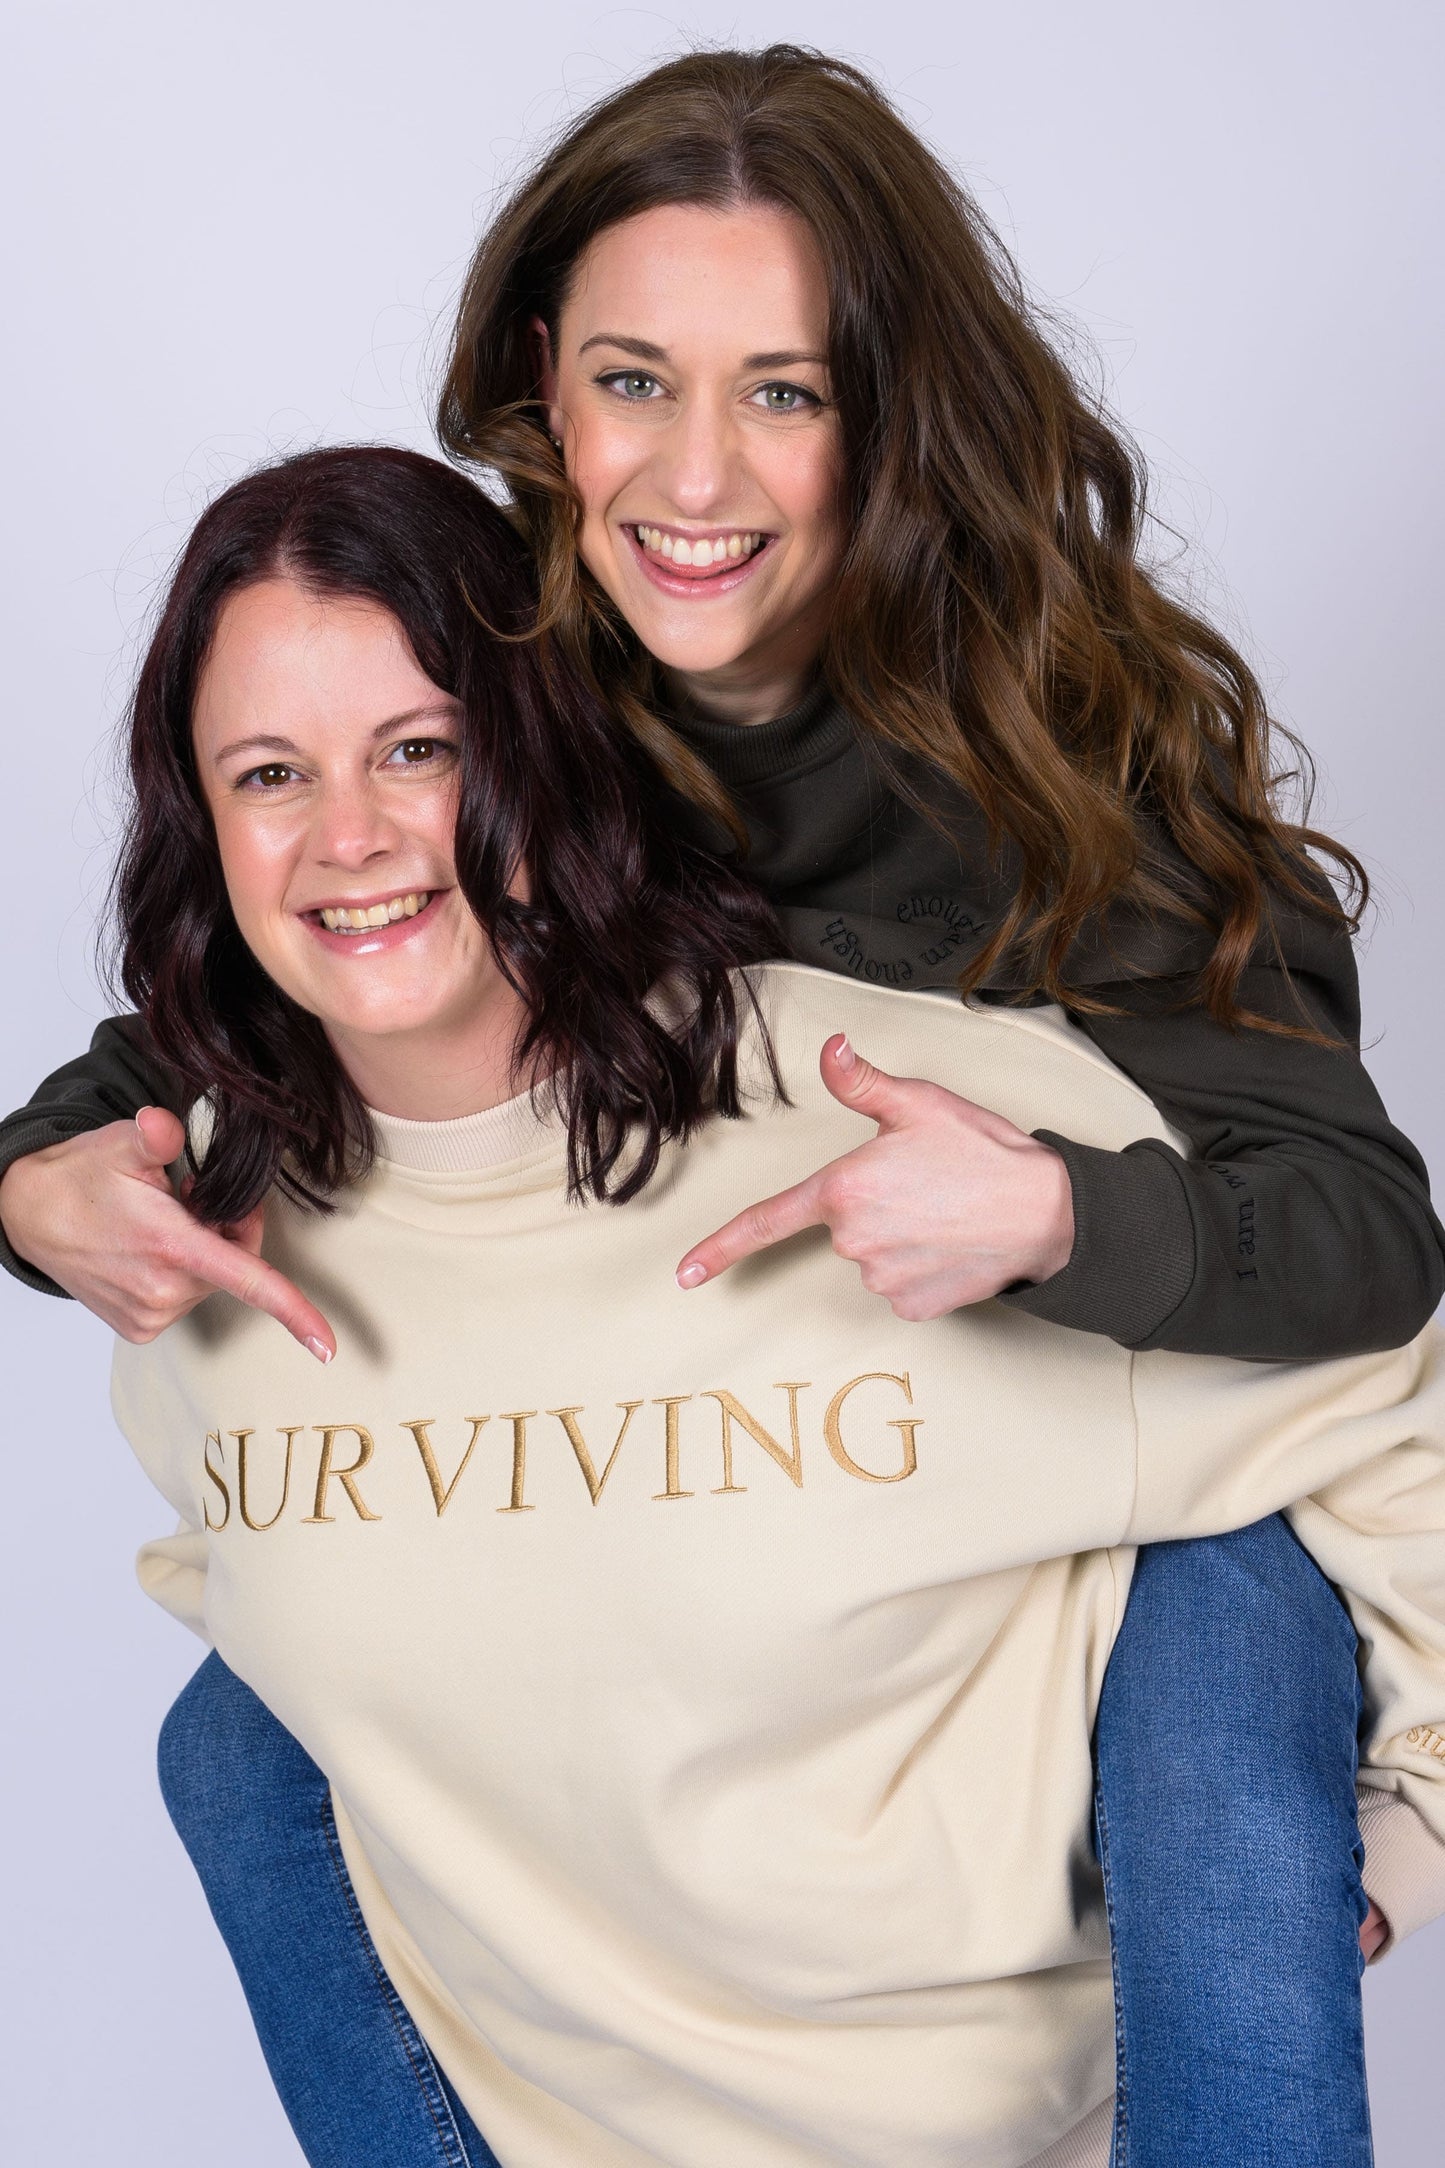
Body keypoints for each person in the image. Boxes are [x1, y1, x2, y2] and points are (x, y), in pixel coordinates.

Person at [3, 43, 1440, 2161]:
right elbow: (300, 932)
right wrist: (38, 1172)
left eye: (784, 388)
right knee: (240, 1732)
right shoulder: (497, 650)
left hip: (1086, 1408)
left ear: (889, 413)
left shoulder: (1068, 769)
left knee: (1214, 1585)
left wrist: (1060, 1216)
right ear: (535, 396)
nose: (697, 476)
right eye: (629, 382)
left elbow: (1364, 1242)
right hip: (745, 1522)